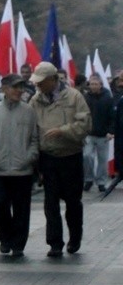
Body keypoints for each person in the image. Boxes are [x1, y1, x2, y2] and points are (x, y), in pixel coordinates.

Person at [30, 61, 90, 257]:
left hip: (70, 156)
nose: (38, 86)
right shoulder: (35, 100)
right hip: (47, 158)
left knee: (73, 201)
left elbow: (85, 125)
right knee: (50, 203)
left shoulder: (74, 97)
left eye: (41, 82)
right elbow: (30, 128)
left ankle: (75, 237)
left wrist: (63, 131)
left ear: (53, 80)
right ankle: (55, 243)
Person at [0, 73, 39, 258]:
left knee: (21, 209)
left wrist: (29, 157)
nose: (19, 91)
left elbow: (35, 139)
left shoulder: (29, 111)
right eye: (15, 87)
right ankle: (5, 238)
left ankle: (18, 244)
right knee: (0, 208)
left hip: (22, 170)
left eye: (21, 87)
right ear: (4, 88)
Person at [82, 73, 114, 192]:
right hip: (89, 133)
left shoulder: (108, 98)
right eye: (92, 84)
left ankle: (101, 182)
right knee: (87, 156)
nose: (93, 86)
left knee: (102, 160)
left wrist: (111, 131)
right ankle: (89, 179)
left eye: (96, 84)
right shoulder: (86, 98)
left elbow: (112, 116)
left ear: (101, 85)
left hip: (103, 135)